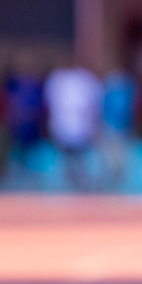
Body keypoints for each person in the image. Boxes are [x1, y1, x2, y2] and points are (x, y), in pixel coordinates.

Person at [44, 62, 102, 191]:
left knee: (80, 162)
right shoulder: (59, 79)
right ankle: (75, 188)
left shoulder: (86, 79)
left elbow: (93, 107)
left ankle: (83, 187)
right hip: (65, 129)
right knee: (69, 163)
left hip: (81, 130)